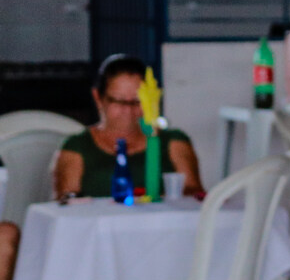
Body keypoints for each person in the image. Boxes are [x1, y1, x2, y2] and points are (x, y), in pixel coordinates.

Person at [54, 54, 204, 199]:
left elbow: (194, 196)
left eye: (137, 101)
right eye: (119, 101)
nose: (128, 110)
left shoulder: (173, 142)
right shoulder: (78, 146)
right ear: (98, 98)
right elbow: (66, 201)